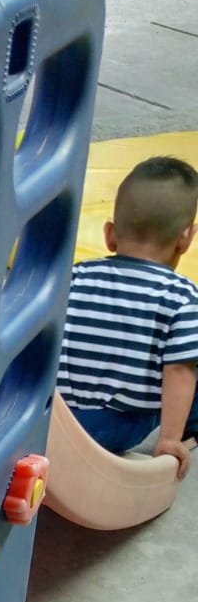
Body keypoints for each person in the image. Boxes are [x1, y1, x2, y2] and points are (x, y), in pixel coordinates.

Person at [56, 155, 198, 481]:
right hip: (119, 426)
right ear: (186, 238)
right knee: (188, 357)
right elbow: (178, 370)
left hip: (57, 417)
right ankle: (190, 430)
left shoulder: (75, 276)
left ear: (110, 234)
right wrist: (169, 439)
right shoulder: (182, 297)